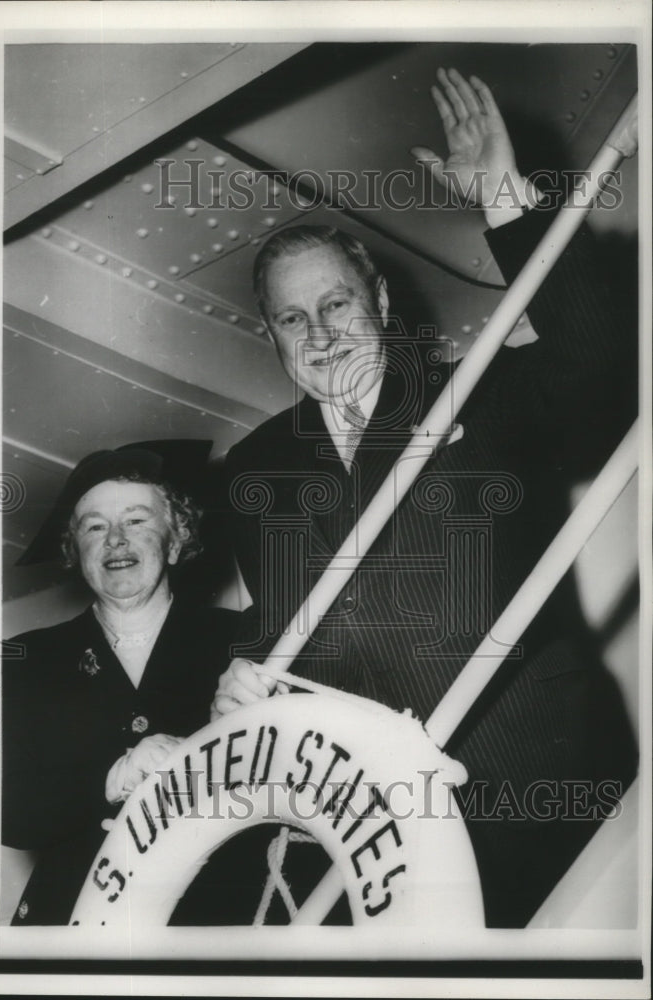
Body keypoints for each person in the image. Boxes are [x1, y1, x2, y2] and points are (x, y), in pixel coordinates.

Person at [213, 69, 637, 926]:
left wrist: (504, 197)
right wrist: (243, 687)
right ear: (272, 337)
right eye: (292, 319)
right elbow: (292, 628)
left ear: (377, 300)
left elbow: (602, 369)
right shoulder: (252, 468)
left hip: (539, 778)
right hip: (386, 828)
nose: (320, 332)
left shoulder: (468, 389)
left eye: (336, 302)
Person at [2, 440, 237, 925]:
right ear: (75, 552)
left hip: (207, 916)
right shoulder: (28, 658)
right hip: (70, 915)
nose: (115, 540)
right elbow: (11, 813)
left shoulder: (240, 640)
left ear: (175, 540)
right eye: (94, 527)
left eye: (135, 521)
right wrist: (117, 776)